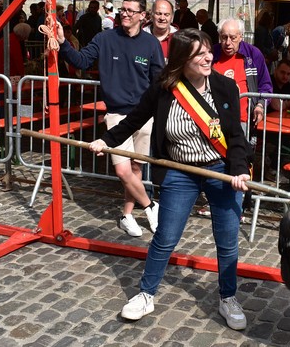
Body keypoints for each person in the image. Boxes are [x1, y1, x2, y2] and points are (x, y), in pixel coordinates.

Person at [89, 28, 250, 329]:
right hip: (180, 172)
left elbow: (235, 136)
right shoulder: (164, 88)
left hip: (219, 169)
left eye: (207, 51)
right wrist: (107, 140)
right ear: (182, 59)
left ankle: (227, 298)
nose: (208, 57)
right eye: (199, 54)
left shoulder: (225, 87)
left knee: (227, 240)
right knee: (165, 237)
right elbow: (135, 118)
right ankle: (146, 294)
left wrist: (239, 169)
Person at [57, 0, 165, 237]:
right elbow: (82, 61)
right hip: (117, 115)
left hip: (144, 116)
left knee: (136, 168)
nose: (124, 14)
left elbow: (158, 81)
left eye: (130, 11)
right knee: (122, 170)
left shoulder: (151, 44)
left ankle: (127, 215)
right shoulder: (105, 38)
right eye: (122, 9)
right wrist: (64, 42)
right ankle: (151, 205)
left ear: (142, 16)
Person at [210, 17, 273, 217]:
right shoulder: (212, 53)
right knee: (216, 160)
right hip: (213, 119)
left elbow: (266, 86)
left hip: (243, 119)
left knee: (241, 160)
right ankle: (215, 197)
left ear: (242, 36)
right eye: (223, 37)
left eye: (232, 38)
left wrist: (261, 106)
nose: (227, 43)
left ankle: (242, 201)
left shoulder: (253, 55)